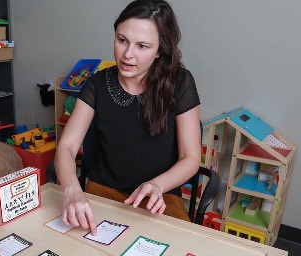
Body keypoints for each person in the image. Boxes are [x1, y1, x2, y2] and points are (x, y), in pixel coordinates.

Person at [55, 0, 202, 235]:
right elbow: (67, 147)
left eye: (142, 46)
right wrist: (72, 190)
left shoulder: (180, 83)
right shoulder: (97, 84)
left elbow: (191, 157)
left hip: (158, 195)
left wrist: (157, 185)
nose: (127, 55)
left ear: (160, 50)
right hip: (102, 192)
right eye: (122, 40)